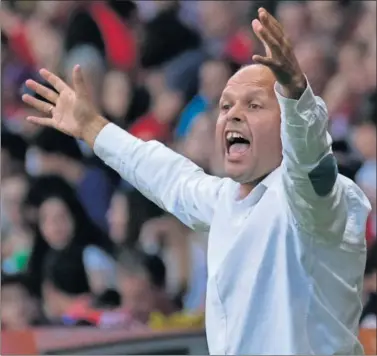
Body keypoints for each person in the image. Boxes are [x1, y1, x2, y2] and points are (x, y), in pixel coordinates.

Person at [22, 8, 371, 355]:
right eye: (225, 106)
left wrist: (296, 95)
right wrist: (92, 128)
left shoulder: (321, 198)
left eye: (254, 105)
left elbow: (311, 161)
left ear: (286, 126)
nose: (233, 114)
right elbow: (165, 173)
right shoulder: (225, 201)